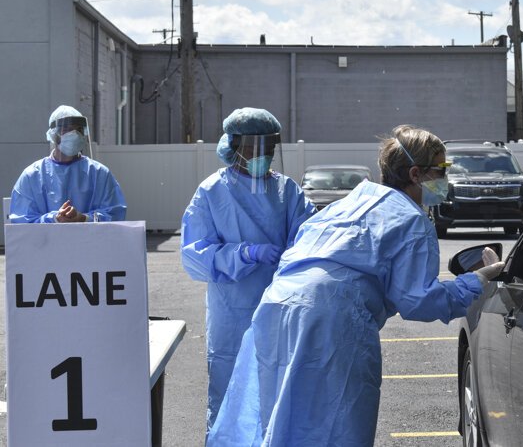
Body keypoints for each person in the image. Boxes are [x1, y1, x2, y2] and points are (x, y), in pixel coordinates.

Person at [208, 125, 504, 446]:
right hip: (330, 318)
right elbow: (417, 301)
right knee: (333, 424)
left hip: (276, 307)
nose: (445, 180)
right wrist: (476, 281)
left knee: (272, 417)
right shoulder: (410, 220)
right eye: (442, 170)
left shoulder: (347, 204)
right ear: (417, 174)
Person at [181, 107, 315, 433]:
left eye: (270, 148)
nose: (266, 155)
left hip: (280, 315)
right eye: (258, 147)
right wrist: (246, 253)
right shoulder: (212, 192)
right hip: (232, 318)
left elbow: (312, 236)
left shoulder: (287, 192)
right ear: (236, 145)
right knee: (229, 399)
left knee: (278, 400)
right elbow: (194, 257)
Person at [10, 105, 126, 223]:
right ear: (53, 134)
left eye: (79, 130)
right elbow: (21, 221)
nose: (74, 134)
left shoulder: (99, 173)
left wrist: (84, 218)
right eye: (67, 129)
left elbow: (115, 214)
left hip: (88, 241)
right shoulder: (32, 176)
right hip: (48, 241)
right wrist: (54, 219)